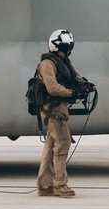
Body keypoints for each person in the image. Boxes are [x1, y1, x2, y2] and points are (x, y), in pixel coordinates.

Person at [35, 28, 90, 198]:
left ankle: (44, 185)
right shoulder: (47, 64)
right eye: (64, 48)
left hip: (60, 107)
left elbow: (75, 77)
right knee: (63, 143)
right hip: (52, 109)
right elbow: (52, 88)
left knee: (51, 145)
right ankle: (60, 184)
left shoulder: (63, 62)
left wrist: (85, 85)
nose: (66, 52)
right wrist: (71, 93)